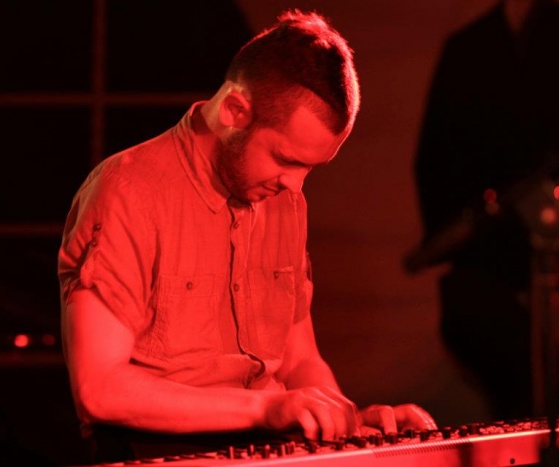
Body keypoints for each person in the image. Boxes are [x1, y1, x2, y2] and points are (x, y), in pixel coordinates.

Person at [59, 10, 436, 462]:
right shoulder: (127, 190)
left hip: (266, 447)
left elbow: (299, 362)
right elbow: (99, 389)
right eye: (285, 159)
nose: (295, 185)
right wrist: (266, 408)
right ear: (235, 111)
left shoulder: (284, 199)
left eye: (311, 168)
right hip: (158, 452)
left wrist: (352, 427)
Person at [412, 0, 559, 421]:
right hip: (488, 262)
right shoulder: (467, 48)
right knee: (521, 395)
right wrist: (459, 243)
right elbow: (436, 158)